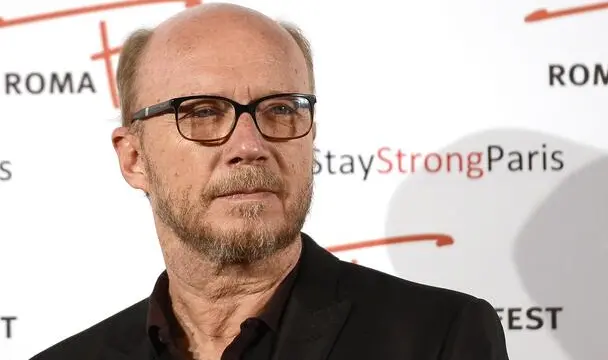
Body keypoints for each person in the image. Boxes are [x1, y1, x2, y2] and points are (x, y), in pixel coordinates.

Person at [31, 3, 509, 360]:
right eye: (202, 112)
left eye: (279, 109)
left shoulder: (436, 337)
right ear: (134, 157)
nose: (249, 144)